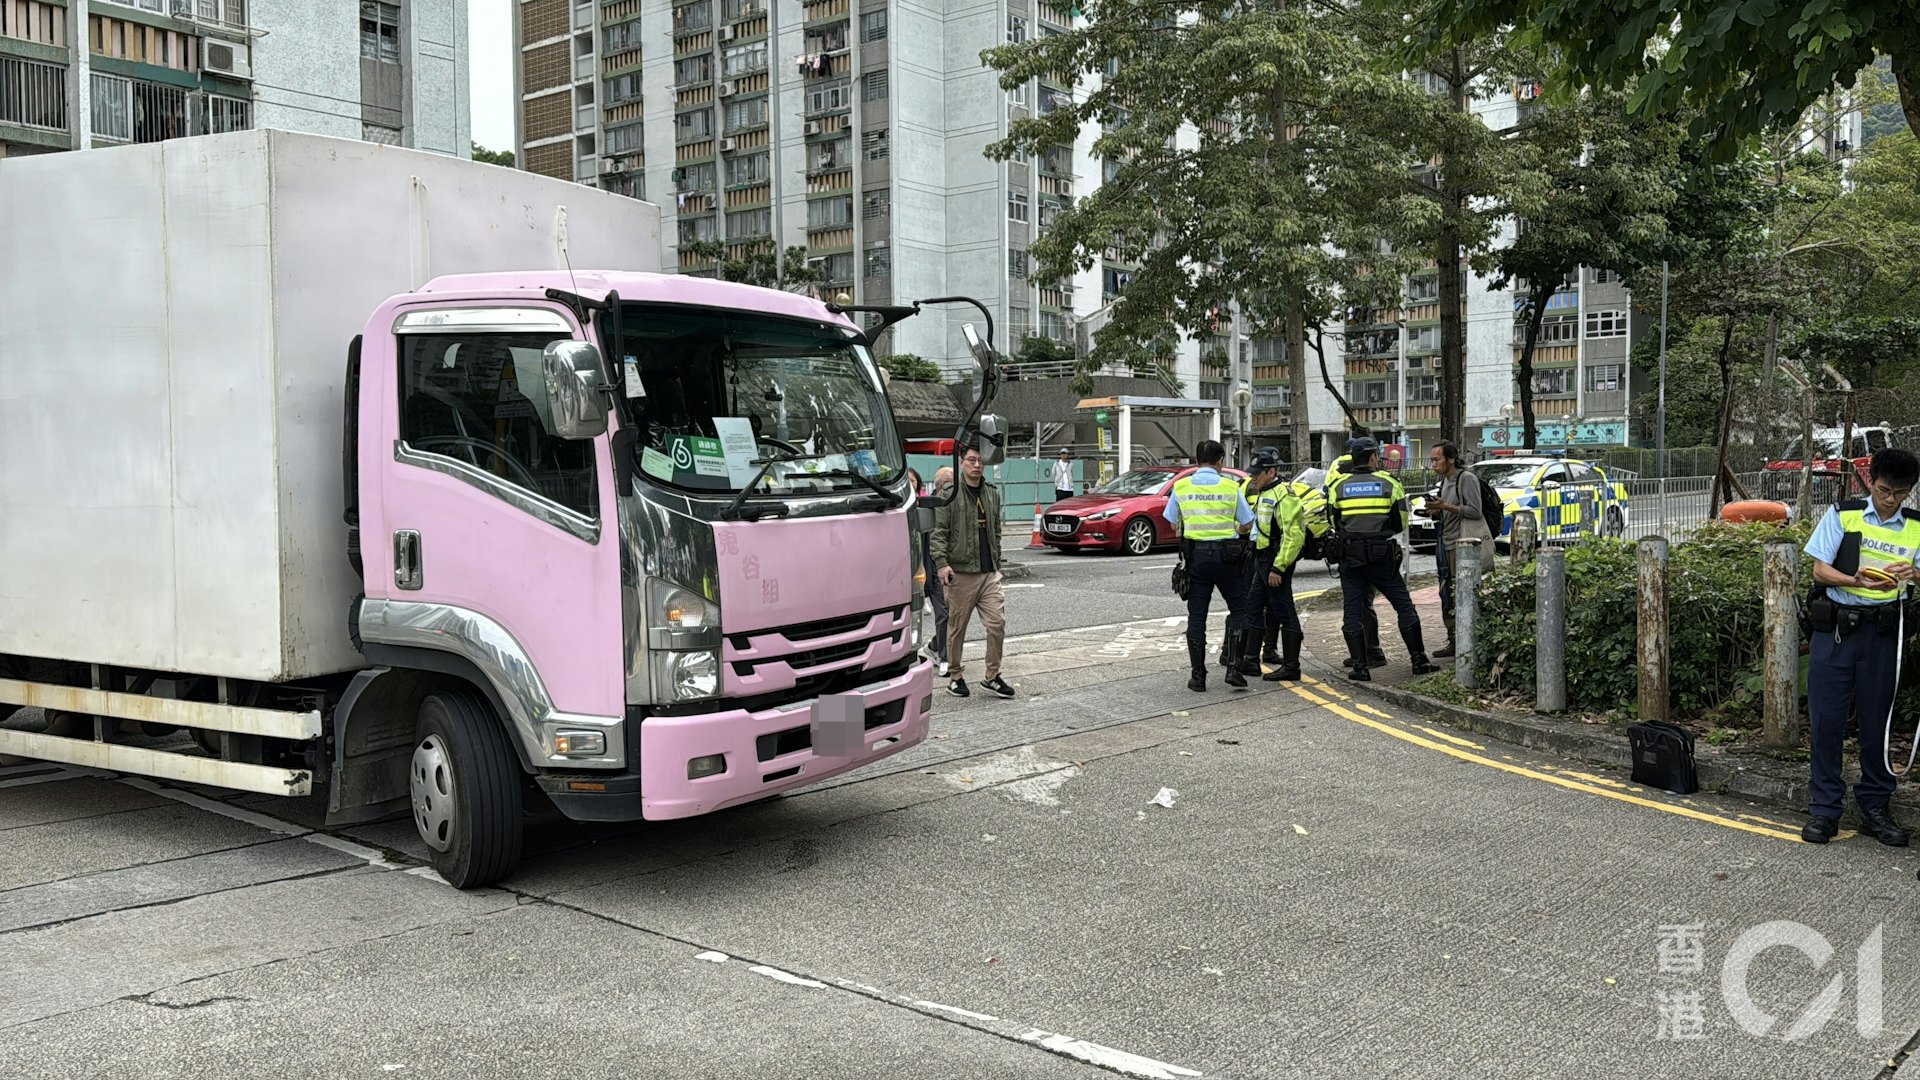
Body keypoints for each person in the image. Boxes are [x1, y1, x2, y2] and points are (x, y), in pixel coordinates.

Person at [1800, 447, 1920, 846]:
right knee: (1827, 722)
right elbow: (1819, 568)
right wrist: (1856, 581)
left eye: (1900, 494)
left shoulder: (1916, 526)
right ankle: (1825, 811)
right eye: (1885, 490)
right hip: (1837, 631)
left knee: (1877, 724)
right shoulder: (1843, 513)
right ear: (1871, 482)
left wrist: (1914, 572)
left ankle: (1874, 808)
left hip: (1884, 635)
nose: (1891, 500)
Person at [1327, 442, 1436, 682]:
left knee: (1352, 611)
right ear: (1374, 457)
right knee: (1403, 605)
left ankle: (1360, 667)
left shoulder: (1338, 486)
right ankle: (1419, 660)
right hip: (1380, 556)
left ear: (1353, 459)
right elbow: (1401, 523)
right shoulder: (1390, 483)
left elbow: (1334, 522)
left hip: (1351, 557)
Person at [1166, 439, 1258, 691]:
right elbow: (1247, 522)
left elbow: (1173, 523)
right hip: (1227, 558)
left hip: (1196, 559)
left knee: (1197, 616)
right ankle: (1234, 669)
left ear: (1197, 461)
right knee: (1240, 611)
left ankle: (1198, 676)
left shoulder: (1181, 486)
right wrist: (1234, 530)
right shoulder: (1230, 487)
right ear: (1220, 462)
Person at [931, 443, 1015, 699]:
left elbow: (996, 530)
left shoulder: (991, 493)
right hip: (961, 571)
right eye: (971, 460)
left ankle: (992, 676)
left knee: (997, 623)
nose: (976, 465)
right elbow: (939, 533)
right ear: (961, 462)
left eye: (980, 460)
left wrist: (996, 561)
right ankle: (955, 676)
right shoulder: (950, 493)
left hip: (988, 572)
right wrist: (941, 563)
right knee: (957, 628)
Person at [1423, 442, 1492, 658]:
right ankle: (1453, 639)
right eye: (1432, 460)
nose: (1433, 464)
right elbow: (1450, 509)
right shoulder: (1445, 480)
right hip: (1446, 541)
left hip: (1462, 544)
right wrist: (1436, 511)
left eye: (1437, 459)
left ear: (1451, 459)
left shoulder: (1467, 478)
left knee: (1463, 591)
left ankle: (1470, 640)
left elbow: (1474, 510)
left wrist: (1445, 507)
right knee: (1447, 592)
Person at [1325, 436, 1386, 669]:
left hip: (1352, 547)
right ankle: (1366, 651)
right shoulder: (1378, 478)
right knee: (1363, 602)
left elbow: (1332, 510)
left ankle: (1368, 652)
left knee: (1357, 604)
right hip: (1373, 547)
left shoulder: (1340, 472)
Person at [1236, 447, 1290, 672]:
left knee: (1258, 604)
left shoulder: (1270, 491)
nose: (1254, 477)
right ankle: (1253, 654)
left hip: (1261, 551)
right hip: (1254, 550)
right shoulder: (1257, 487)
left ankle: (1252, 655)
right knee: (1259, 605)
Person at [909, 469, 953, 677]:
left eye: (913, 481)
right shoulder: (899, 509)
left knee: (947, 614)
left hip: (938, 568)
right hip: (913, 570)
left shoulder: (932, 505)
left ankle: (939, 651)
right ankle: (937, 654)